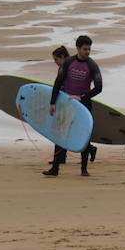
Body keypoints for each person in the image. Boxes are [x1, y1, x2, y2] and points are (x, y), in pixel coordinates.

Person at [46, 35, 102, 177]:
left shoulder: (92, 65)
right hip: (67, 103)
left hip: (84, 104)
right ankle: (55, 169)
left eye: (89, 49)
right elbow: (58, 82)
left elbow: (99, 87)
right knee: (60, 133)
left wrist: (81, 97)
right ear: (78, 48)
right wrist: (52, 102)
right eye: (85, 49)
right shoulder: (68, 62)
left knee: (84, 135)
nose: (87, 52)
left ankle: (84, 170)